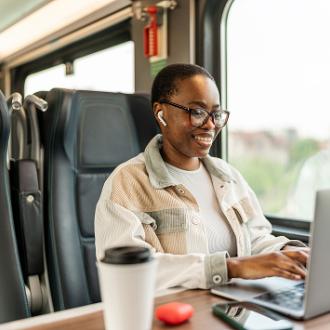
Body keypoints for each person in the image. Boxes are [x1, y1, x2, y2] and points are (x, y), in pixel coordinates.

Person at [95, 63, 307, 292]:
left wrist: (290, 254)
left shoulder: (229, 177)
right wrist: (231, 268)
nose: (210, 124)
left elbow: (255, 240)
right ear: (161, 113)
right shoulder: (126, 183)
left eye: (216, 114)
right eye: (197, 112)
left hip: (233, 309)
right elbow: (127, 273)